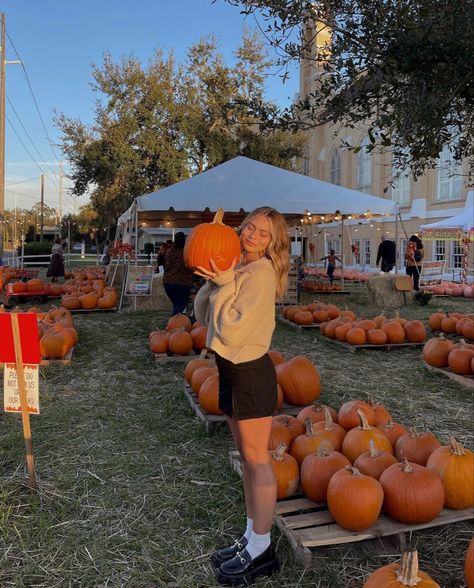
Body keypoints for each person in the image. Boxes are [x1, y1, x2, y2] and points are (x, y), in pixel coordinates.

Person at [194, 206, 290, 586]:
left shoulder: (263, 274)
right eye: (249, 226)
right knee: (248, 463)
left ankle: (263, 550)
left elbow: (232, 328)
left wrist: (225, 283)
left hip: (250, 372)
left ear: (271, 244)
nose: (251, 235)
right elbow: (205, 318)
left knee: (258, 461)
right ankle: (251, 537)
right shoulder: (239, 268)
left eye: (262, 233)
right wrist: (216, 281)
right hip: (230, 370)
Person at [162, 232, 194, 316]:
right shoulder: (186, 252)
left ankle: (178, 321)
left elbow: (166, 264)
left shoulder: (169, 251)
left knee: (176, 304)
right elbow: (190, 266)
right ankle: (175, 323)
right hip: (182, 282)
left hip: (168, 281)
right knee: (180, 304)